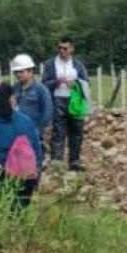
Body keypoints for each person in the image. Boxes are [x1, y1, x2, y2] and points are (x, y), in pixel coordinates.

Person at [40, 36, 90, 172]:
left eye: (65, 48)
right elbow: (43, 84)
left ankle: (74, 161)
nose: (62, 51)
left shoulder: (78, 65)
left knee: (76, 131)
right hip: (57, 100)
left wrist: (76, 83)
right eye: (60, 48)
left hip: (75, 101)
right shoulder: (50, 65)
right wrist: (56, 82)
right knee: (58, 131)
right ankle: (57, 161)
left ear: (72, 49)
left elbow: (87, 82)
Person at [10, 54, 53, 144]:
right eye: (16, 72)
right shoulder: (14, 88)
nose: (18, 74)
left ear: (30, 71)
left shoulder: (41, 90)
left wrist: (38, 130)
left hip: (34, 134)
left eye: (21, 71)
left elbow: (47, 112)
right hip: (16, 133)